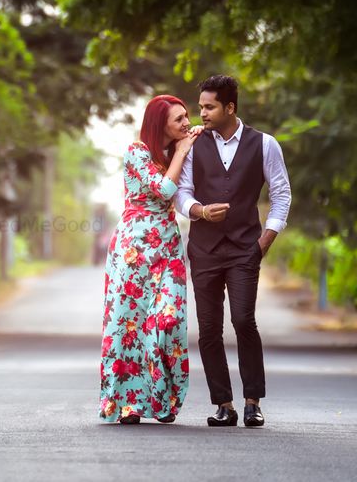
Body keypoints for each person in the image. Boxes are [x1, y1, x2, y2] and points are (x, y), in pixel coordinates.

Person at [175, 75, 292, 427]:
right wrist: (199, 211)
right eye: (200, 107)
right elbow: (182, 191)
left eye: (209, 107)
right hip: (204, 249)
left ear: (230, 108)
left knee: (243, 320)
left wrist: (265, 240)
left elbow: (281, 194)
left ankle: (253, 401)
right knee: (209, 329)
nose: (202, 114)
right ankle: (224, 404)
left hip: (245, 247)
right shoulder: (193, 143)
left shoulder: (265, 144)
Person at [99, 94, 198, 424]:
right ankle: (128, 404)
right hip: (133, 249)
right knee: (130, 325)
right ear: (161, 124)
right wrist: (183, 151)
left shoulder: (176, 151)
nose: (186, 123)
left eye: (187, 117)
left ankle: (162, 400)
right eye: (178, 119)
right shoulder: (137, 151)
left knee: (168, 320)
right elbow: (164, 190)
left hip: (168, 246)